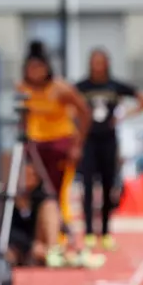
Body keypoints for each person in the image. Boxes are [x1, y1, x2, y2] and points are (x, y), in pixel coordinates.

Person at [16, 43, 96, 266]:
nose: (35, 73)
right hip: (35, 146)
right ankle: (41, 238)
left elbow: (84, 112)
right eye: (31, 68)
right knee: (36, 194)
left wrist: (78, 143)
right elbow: (22, 118)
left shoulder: (61, 88)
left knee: (57, 193)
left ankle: (60, 239)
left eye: (39, 68)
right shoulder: (23, 88)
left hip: (60, 144)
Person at [73, 48, 143, 252]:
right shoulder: (82, 86)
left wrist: (124, 115)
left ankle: (105, 232)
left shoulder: (115, 86)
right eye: (94, 62)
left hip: (108, 141)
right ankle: (89, 232)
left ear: (107, 64)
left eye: (101, 62)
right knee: (87, 187)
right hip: (88, 141)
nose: (98, 66)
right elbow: (67, 104)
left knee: (108, 187)